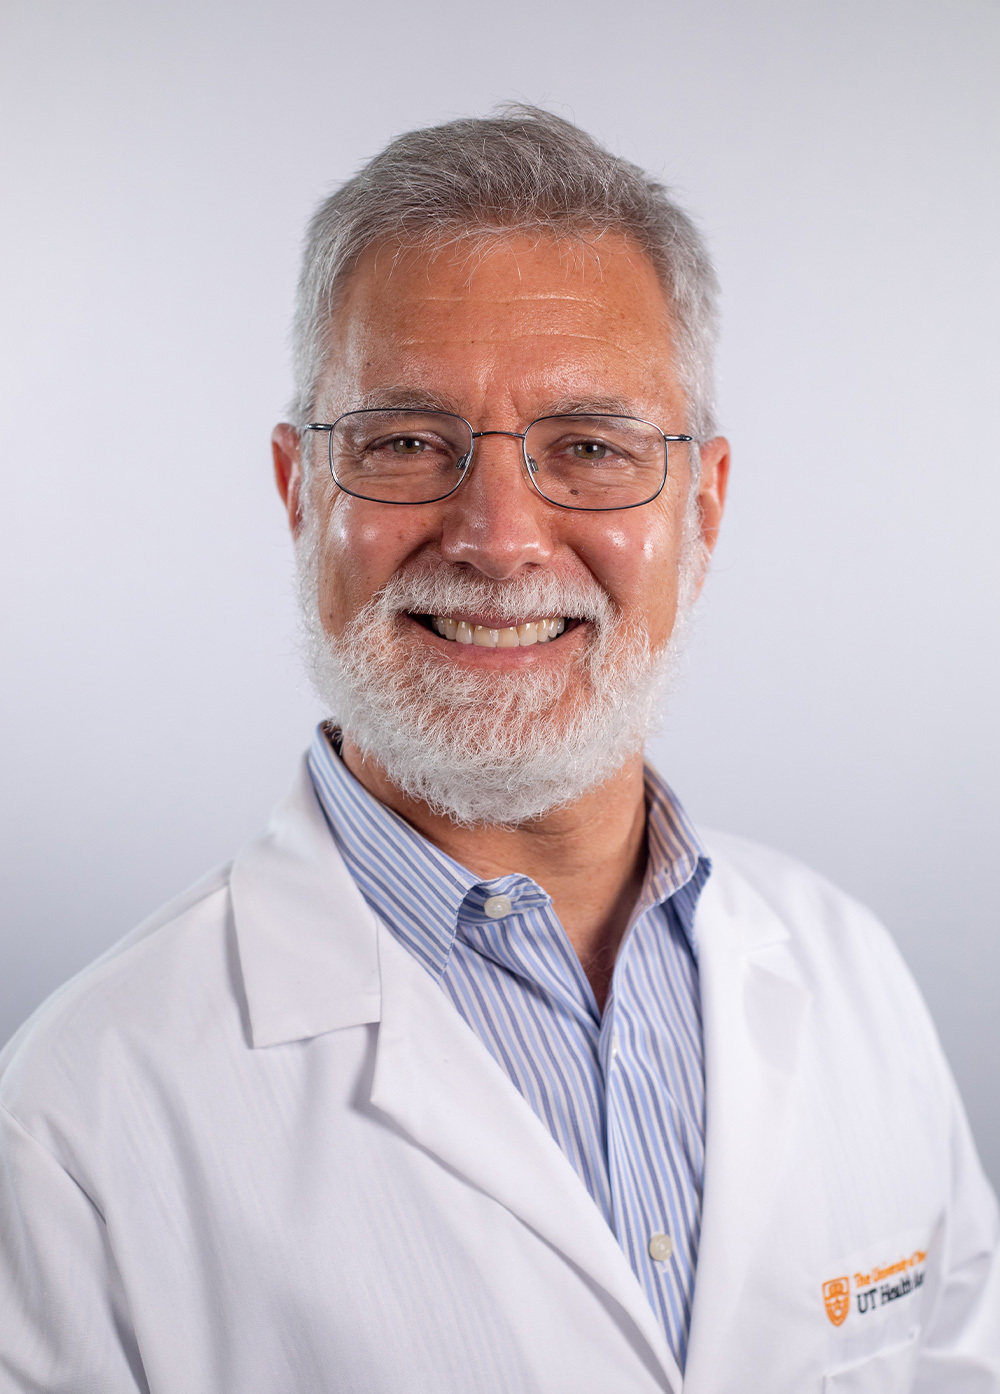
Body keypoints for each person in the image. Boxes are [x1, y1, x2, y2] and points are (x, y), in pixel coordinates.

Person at [0, 106, 996, 1394]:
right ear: (302, 492)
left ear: (706, 506)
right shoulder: (71, 1126)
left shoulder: (856, 978)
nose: (500, 535)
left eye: (590, 447)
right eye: (407, 443)